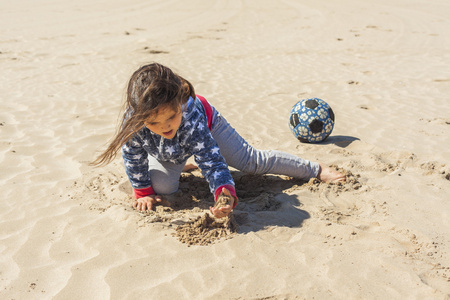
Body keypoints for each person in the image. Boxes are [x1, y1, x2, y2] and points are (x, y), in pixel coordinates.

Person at [91, 63, 345, 218]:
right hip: (167, 152)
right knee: (163, 188)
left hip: (209, 127)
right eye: (154, 123)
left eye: (170, 117)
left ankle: (315, 168)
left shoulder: (190, 116)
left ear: (180, 103)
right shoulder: (134, 122)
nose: (165, 126)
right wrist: (142, 193)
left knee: (251, 163)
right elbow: (133, 158)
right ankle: (183, 164)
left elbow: (212, 162)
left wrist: (224, 195)